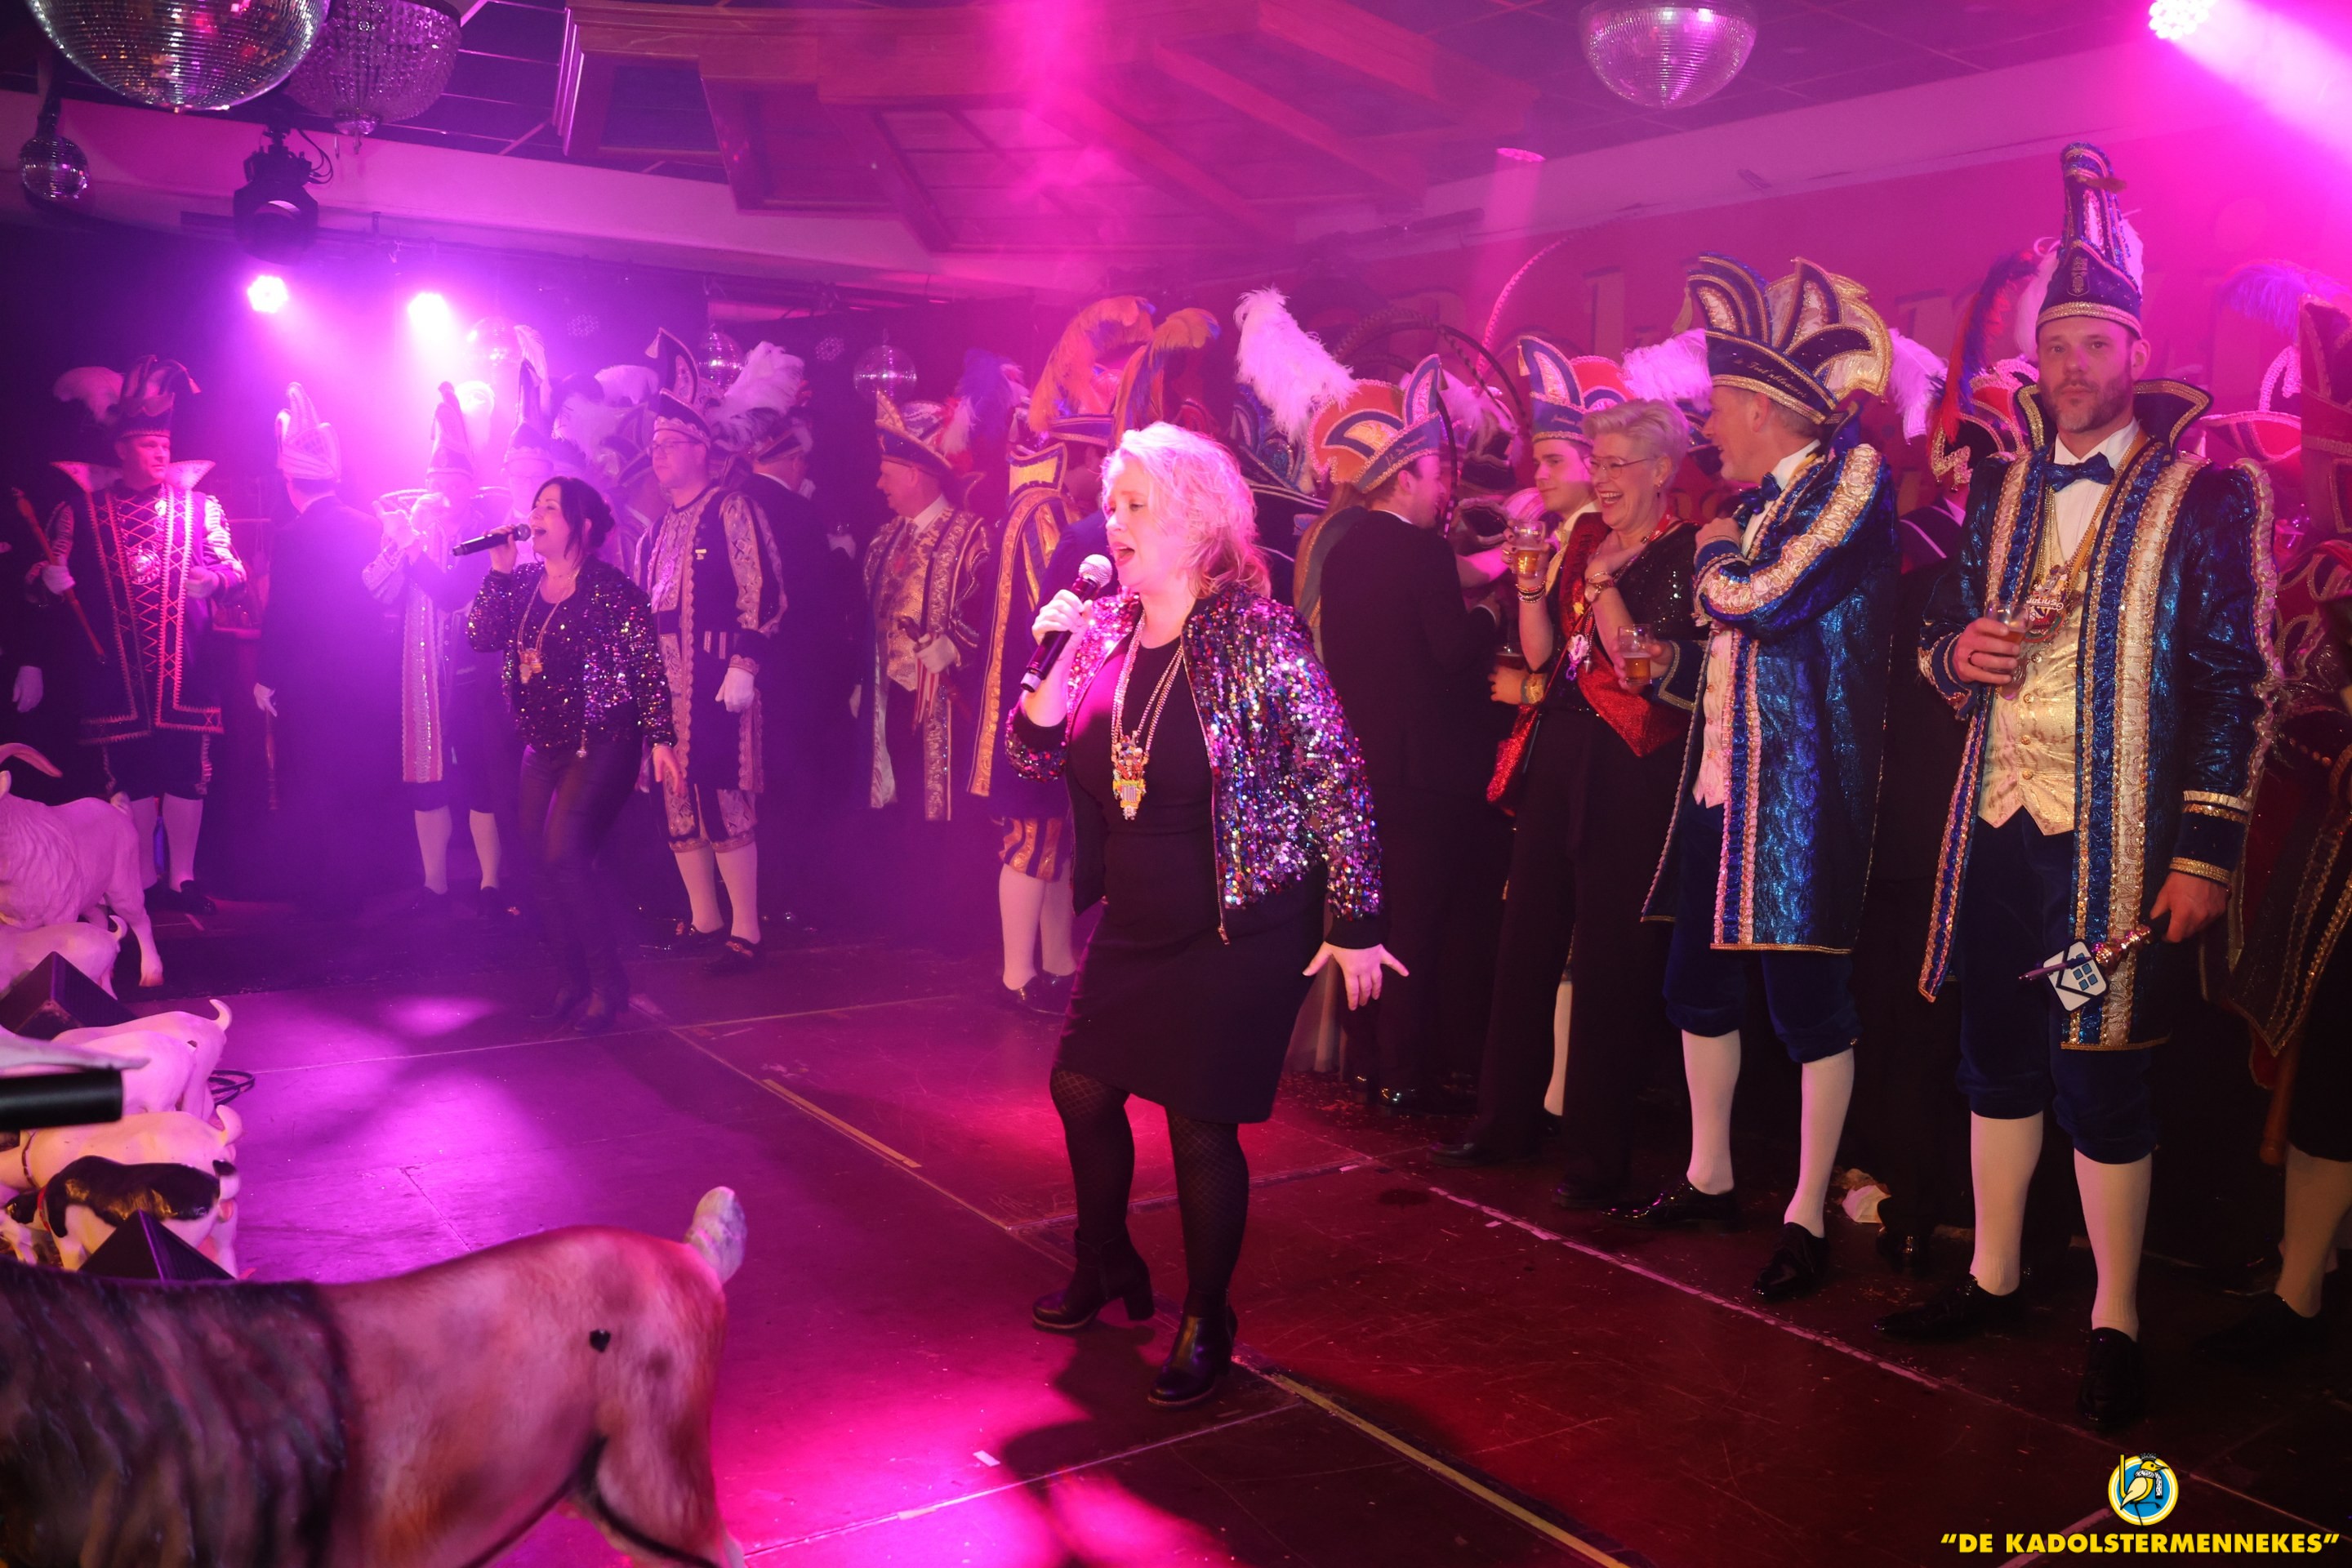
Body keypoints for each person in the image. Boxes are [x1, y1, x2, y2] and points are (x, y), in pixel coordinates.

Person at [1883, 146, 2277, 1431]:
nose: (2069, 365)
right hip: (1998, 836)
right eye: (2053, 345)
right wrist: (1956, 653)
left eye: (2093, 343)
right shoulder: (1999, 489)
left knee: (2101, 1072)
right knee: (1996, 1056)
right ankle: (1995, 1276)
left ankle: (2115, 1318)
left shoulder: (2204, 497)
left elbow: (2235, 682)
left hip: (2110, 850)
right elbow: (1935, 629)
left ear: (2135, 354)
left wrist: (2204, 850)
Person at [1007, 422, 1399, 1410]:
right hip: (1138, 918)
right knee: (1081, 1088)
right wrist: (1055, 658)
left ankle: (1207, 1315)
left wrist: (1355, 918)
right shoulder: (1102, 629)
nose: (1115, 521)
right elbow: (1029, 757)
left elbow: (1336, 771)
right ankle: (1106, 1259)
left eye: (1137, 505)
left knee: (1197, 1120)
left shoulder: (1255, 635)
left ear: (1195, 522)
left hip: (1241, 922)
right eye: (1112, 504)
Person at [1607, 255, 1900, 1311]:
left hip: (1801, 794)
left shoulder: (1852, 480)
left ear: (1768, 408)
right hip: (1722, 784)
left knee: (1810, 1007)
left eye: (1721, 405)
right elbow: (1736, 646)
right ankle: (1711, 1177)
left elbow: (1761, 599)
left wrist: (1713, 555)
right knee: (1695, 986)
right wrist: (1673, 662)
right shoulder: (1750, 503)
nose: (1710, 425)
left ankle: (1809, 1213)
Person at [1437, 358, 1701, 1201]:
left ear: (1662, 470)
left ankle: (1596, 1157)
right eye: (1600, 463)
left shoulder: (1688, 551)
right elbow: (1546, 655)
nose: (1605, 479)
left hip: (1630, 765)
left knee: (1611, 960)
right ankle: (1503, 1123)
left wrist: (1604, 587)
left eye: (1619, 464)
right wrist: (1529, 588)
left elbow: (1636, 668)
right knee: (1526, 940)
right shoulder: (1584, 538)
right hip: (1559, 747)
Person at [1312, 354, 1506, 1113]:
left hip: (1361, 764)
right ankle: (1403, 1071)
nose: (1444, 490)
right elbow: (1451, 653)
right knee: (1418, 924)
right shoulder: (1421, 550)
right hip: (1425, 773)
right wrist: (1492, 615)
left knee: (1370, 914)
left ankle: (1364, 1060)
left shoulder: (1345, 549)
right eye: (1435, 477)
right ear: (1401, 481)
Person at [467, 477, 679, 1033]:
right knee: (538, 860)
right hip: (543, 745)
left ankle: (609, 985)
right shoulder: (524, 582)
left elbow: (647, 666)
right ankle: (572, 981)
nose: (535, 515)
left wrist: (661, 738)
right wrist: (498, 571)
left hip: (601, 740)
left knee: (564, 854)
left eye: (550, 508)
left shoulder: (611, 590)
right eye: (534, 505)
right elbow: (480, 636)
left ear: (581, 526)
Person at [42, 356, 247, 911]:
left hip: (187, 671)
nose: (161, 454)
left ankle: (183, 878)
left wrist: (215, 580)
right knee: (130, 778)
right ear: (121, 449)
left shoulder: (201, 508)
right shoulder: (79, 512)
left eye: (165, 445)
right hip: (114, 676)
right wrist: (49, 579)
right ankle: (142, 879)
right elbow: (44, 579)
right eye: (149, 445)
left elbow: (235, 570)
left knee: (187, 774)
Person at [642, 332, 785, 974]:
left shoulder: (733, 509)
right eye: (654, 446)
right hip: (668, 689)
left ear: (702, 447)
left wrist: (744, 663)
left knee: (724, 799)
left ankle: (746, 930)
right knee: (678, 799)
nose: (659, 455)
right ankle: (704, 919)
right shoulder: (656, 532)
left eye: (670, 444)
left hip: (718, 679)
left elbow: (765, 589)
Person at [363, 383, 514, 918]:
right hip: (420, 677)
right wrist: (397, 539)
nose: (446, 492)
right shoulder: (415, 530)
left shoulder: (488, 533)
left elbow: (454, 596)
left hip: (477, 678)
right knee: (426, 782)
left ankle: (491, 884)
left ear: (472, 487)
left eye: (455, 482)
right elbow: (376, 588)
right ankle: (434, 886)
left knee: (480, 778)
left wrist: (409, 545)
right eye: (437, 482)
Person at [969, 427, 1105, 1011]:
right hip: (1044, 707)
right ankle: (1017, 976)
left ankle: (1055, 965)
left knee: (1055, 843)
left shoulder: (1047, 513)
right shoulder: (1052, 518)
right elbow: (1047, 628)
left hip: (1054, 707)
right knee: (1033, 837)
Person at [252, 385, 396, 917]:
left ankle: (322, 890)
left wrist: (266, 675)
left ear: (291, 483)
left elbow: (283, 611)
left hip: (311, 681)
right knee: (358, 777)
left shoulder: (293, 535)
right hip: (365, 676)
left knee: (314, 782)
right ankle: (359, 883)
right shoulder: (368, 526)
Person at [863, 393, 991, 936]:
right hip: (892, 695)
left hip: (947, 703)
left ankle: (955, 922)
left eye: (887, 473)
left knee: (949, 809)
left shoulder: (974, 535)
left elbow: (992, 610)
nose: (880, 484)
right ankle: (910, 915)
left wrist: (957, 646)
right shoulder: (883, 539)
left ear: (916, 474)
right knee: (903, 806)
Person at [742, 404, 862, 934]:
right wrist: (843, 558)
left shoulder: (733, 504)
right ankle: (791, 898)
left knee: (755, 789)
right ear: (792, 462)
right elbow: (817, 600)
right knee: (797, 789)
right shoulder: (796, 513)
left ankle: (756, 900)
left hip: (748, 672)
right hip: (799, 675)